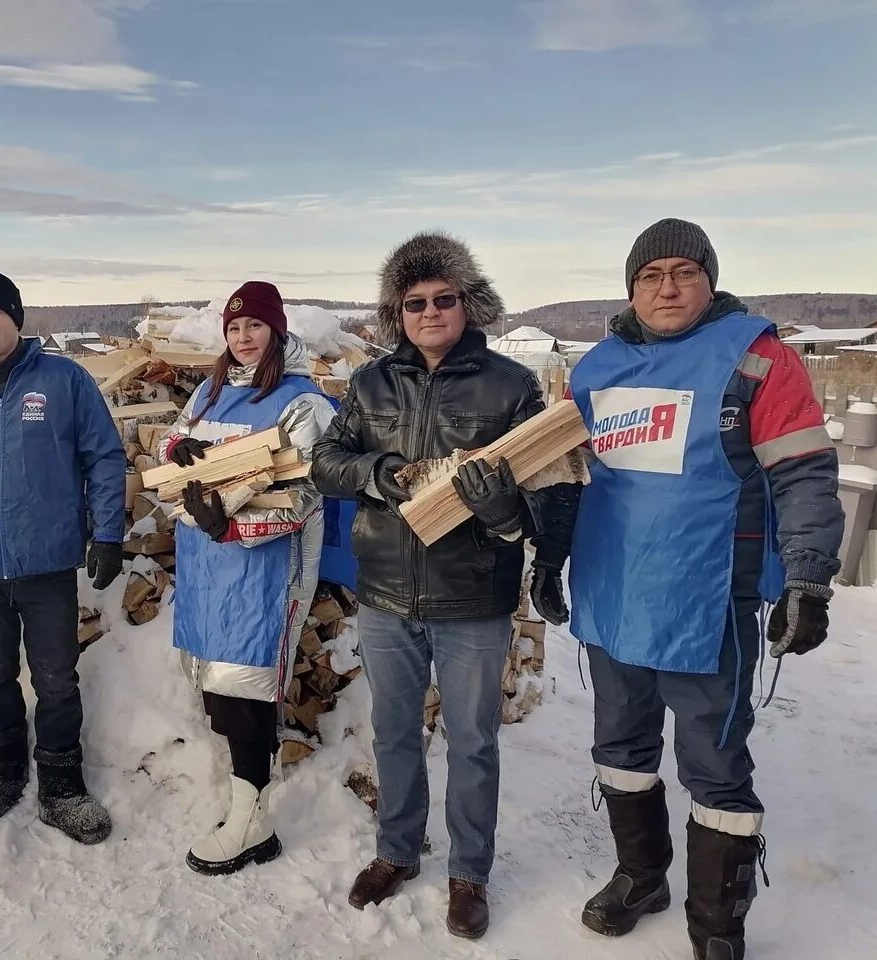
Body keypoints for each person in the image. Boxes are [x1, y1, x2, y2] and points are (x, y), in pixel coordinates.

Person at [566, 219, 845, 960]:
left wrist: (808, 576)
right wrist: (545, 557)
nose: (667, 286)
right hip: (613, 595)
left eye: (684, 272)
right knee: (620, 746)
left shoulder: (757, 361)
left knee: (715, 765)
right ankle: (640, 875)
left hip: (707, 601)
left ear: (709, 281)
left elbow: (803, 473)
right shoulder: (594, 369)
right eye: (651, 274)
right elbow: (566, 479)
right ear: (631, 287)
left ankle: (717, 923)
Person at [312, 233, 575, 939]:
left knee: (473, 741)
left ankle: (469, 873)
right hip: (386, 593)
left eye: (444, 299)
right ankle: (397, 852)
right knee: (395, 733)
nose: (430, 311)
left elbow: (547, 498)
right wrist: (374, 473)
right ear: (397, 311)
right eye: (415, 302)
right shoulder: (370, 385)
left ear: (468, 304)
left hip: (473, 599)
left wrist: (498, 508)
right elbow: (326, 460)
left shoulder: (509, 386)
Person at [0, 270, 126, 842]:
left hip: (47, 562)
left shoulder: (64, 381)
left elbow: (104, 457)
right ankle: (3, 771)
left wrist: (107, 534)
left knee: (57, 678)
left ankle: (63, 787)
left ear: (16, 317)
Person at [156, 281, 337, 876]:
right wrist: (179, 445)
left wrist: (232, 530)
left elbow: (306, 496)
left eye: (254, 326)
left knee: (247, 694)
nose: (242, 337)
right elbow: (168, 442)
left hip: (261, 572)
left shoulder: (302, 401)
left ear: (276, 331)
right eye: (233, 329)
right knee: (218, 690)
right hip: (208, 570)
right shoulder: (210, 393)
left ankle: (253, 824)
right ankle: (244, 803)